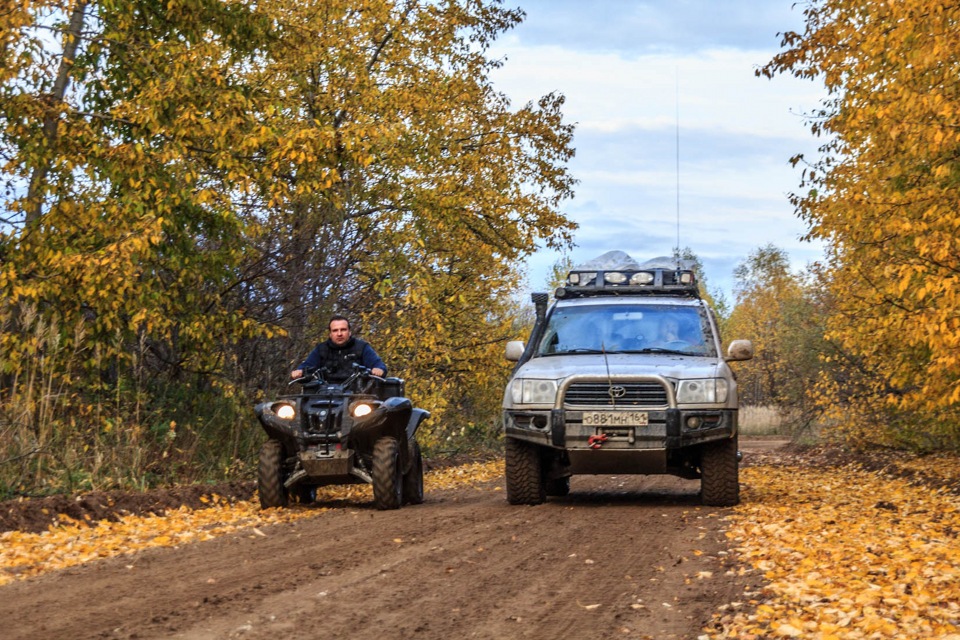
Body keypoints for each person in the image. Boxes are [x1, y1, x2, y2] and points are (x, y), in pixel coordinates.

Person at [291, 315, 386, 382]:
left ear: (349, 332)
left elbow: (378, 364)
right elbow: (308, 365)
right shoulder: (321, 349)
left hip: (357, 395)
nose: (339, 334)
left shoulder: (362, 347)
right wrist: (300, 371)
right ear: (330, 333)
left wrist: (378, 369)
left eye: (343, 330)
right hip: (324, 394)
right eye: (335, 330)